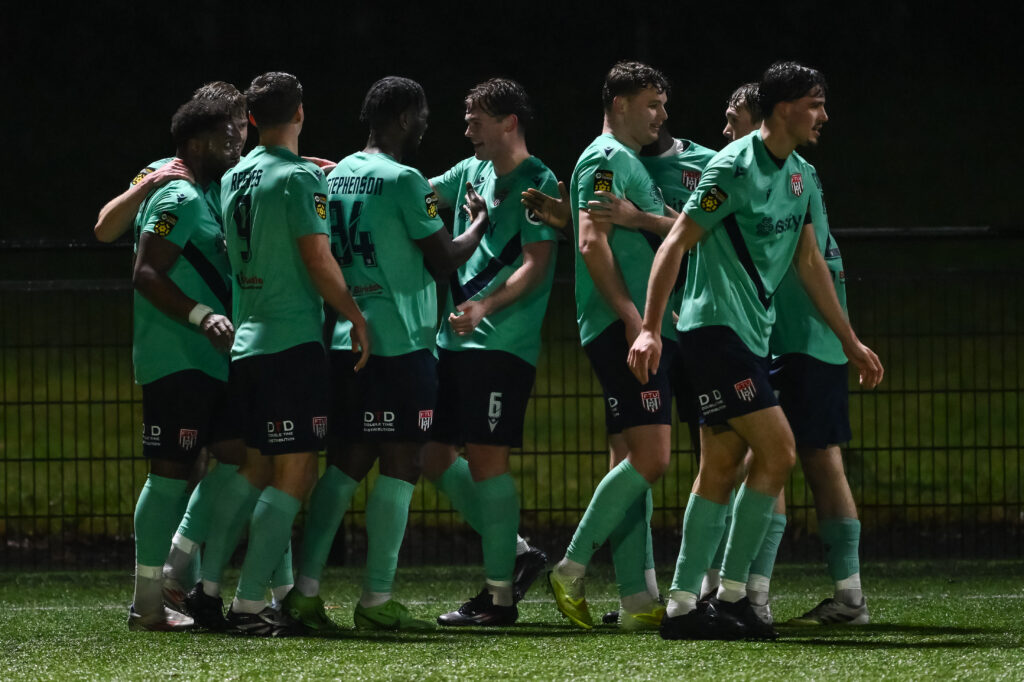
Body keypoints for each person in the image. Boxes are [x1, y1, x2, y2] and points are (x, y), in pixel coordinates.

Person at [627, 61, 883, 641]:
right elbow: (674, 244)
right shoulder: (733, 167)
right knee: (780, 452)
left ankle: (684, 605)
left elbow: (809, 262)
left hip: (747, 334)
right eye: (815, 104)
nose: (824, 115)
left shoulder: (798, 174)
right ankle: (738, 596)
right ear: (784, 107)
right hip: (714, 331)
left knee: (720, 467)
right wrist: (649, 327)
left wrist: (850, 341)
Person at [282, 76, 490, 632]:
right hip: (400, 341)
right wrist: (477, 224)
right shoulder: (405, 180)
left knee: (345, 464)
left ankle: (304, 591)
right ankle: (376, 601)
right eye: (421, 115)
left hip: (347, 338)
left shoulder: (338, 173)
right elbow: (443, 260)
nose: (425, 124)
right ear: (403, 119)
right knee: (403, 465)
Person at [219, 71, 370, 636]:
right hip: (289, 340)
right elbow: (317, 257)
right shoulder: (300, 178)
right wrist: (354, 315)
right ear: (301, 113)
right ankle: (249, 603)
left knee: (260, 468)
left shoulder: (237, 174)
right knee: (297, 473)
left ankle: (210, 585)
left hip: (247, 339)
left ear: (252, 119)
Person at [417, 78, 559, 627]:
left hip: (502, 343)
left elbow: (536, 264)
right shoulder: (469, 172)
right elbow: (418, 191)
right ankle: (519, 555)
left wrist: (485, 308)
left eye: (477, 119)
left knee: (487, 460)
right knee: (433, 456)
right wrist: (354, 174)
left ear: (509, 123)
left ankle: (499, 598)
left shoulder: (537, 181)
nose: (468, 128)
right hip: (452, 342)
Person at [546, 61, 680, 631]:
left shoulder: (625, 162)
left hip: (631, 325)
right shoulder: (604, 159)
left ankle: (635, 600)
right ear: (619, 103)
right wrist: (634, 318)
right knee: (653, 458)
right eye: (652, 103)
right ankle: (570, 567)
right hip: (621, 326)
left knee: (630, 461)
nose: (662, 115)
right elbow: (590, 239)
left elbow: (668, 227)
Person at [126, 96, 241, 630]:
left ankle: (175, 567)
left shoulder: (204, 192)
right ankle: (147, 603)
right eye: (226, 135)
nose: (236, 143)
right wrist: (201, 315)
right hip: (178, 356)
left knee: (241, 458)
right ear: (197, 142)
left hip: (209, 359)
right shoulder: (180, 194)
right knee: (169, 474)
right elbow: (147, 272)